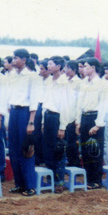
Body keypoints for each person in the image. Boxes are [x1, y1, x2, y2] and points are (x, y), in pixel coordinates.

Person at [6, 49, 38, 196]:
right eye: (13, 58)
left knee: (26, 149)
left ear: (24, 60)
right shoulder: (12, 75)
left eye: (16, 58)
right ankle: (19, 184)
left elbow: (33, 100)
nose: (13, 60)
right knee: (13, 149)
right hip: (14, 112)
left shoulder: (31, 76)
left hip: (25, 113)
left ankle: (29, 185)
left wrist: (31, 121)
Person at [75, 57, 108, 189]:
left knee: (95, 150)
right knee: (85, 150)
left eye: (85, 66)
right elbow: (79, 104)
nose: (83, 69)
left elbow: (103, 105)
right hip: (84, 117)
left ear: (93, 68)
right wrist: (78, 122)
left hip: (95, 118)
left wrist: (98, 124)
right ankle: (89, 178)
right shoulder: (84, 83)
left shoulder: (102, 84)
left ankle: (96, 180)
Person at [41, 56, 71, 193]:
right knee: (47, 148)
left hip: (58, 117)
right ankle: (50, 178)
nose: (48, 66)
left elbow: (65, 106)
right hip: (47, 116)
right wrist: (42, 121)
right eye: (48, 64)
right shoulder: (48, 81)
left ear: (59, 66)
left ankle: (59, 181)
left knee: (59, 149)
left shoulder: (64, 83)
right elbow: (45, 102)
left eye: (51, 64)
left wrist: (62, 127)